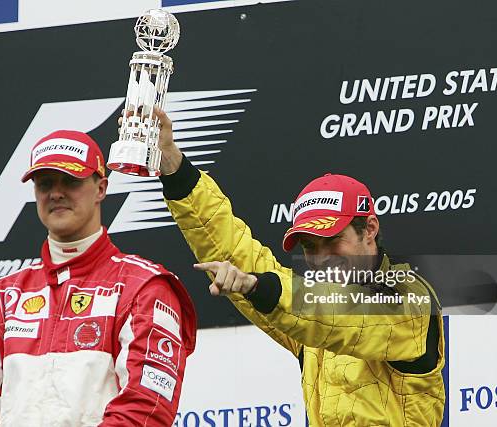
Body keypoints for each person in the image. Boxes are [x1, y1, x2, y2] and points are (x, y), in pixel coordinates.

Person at [130, 108, 446, 426]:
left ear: (369, 229)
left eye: (332, 240)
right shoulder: (305, 308)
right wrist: (173, 164)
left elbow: (337, 317)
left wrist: (257, 286)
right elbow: (237, 254)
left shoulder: (409, 298)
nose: (321, 258)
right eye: (310, 246)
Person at [0, 130, 197, 426]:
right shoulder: (1, 299)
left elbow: (146, 408)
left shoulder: (143, 288)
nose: (56, 193)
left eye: (70, 181)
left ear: (101, 189)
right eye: (45, 184)